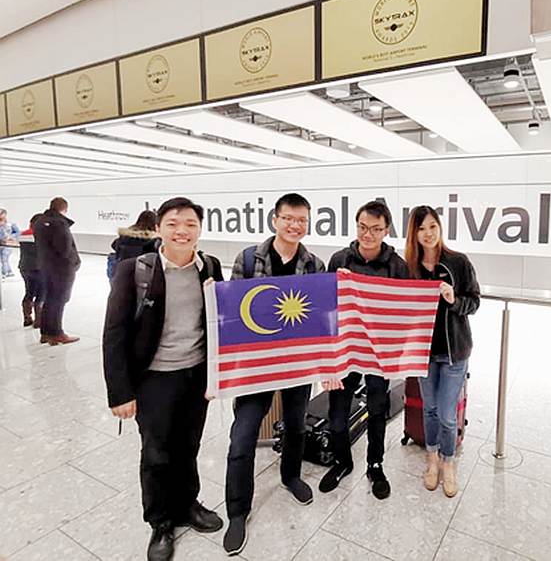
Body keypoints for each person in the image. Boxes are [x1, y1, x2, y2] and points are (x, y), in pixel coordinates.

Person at [103, 197, 224, 561]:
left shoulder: (211, 267)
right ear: (158, 229)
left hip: (196, 374)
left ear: (200, 229)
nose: (182, 231)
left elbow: (221, 323)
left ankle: (187, 504)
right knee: (156, 453)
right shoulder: (134, 270)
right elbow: (114, 333)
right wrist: (119, 392)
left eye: (190, 223)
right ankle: (159, 522)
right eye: (173, 224)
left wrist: (220, 374)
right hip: (154, 378)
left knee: (188, 446)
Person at [223, 193, 326, 556]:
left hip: (297, 363)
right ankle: (237, 511)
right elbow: (232, 315)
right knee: (243, 436)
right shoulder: (248, 259)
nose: (295, 225)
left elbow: (321, 318)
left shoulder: (315, 265)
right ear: (275, 220)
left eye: (302, 220)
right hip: (256, 366)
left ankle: (290, 476)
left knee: (297, 426)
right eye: (288, 218)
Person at [320, 200, 409, 500]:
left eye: (375, 229)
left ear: (386, 230)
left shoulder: (398, 266)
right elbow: (326, 307)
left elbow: (405, 311)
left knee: (377, 409)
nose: (367, 234)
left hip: (378, 353)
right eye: (362, 227)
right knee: (337, 411)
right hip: (345, 351)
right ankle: (342, 461)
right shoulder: (339, 259)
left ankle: (375, 464)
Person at [404, 206, 480, 497]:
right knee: (431, 410)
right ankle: (432, 459)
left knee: (448, 416)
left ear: (440, 228)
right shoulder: (408, 267)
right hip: (422, 354)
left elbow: (474, 302)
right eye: (421, 228)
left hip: (454, 353)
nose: (428, 233)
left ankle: (449, 463)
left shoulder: (458, 263)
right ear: (414, 233)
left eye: (432, 226)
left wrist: (453, 300)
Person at [34, 198, 81, 345]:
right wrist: (75, 262)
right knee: (60, 299)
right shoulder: (60, 224)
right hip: (62, 268)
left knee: (50, 298)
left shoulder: (39, 222)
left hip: (45, 266)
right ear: (64, 209)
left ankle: (46, 332)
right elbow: (65, 249)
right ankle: (57, 333)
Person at [108, 210, 159, 279]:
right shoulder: (151, 241)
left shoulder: (126, 236)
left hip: (121, 272)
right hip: (139, 273)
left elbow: (113, 245)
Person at [18, 213, 45, 328]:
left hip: (24, 267)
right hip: (39, 269)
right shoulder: (42, 235)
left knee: (29, 292)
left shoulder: (23, 234)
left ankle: (27, 318)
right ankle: (39, 321)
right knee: (41, 294)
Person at [0, 208, 20, 278]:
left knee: (4, 257)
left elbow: (18, 232)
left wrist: (12, 237)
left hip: (8, 244)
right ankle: (8, 271)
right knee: (3, 258)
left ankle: (5, 272)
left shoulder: (10, 224)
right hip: (1, 244)